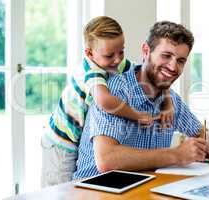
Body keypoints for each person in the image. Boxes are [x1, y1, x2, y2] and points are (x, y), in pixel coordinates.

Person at [73, 21, 209, 180]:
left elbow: (202, 132)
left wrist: (208, 143)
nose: (173, 67)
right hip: (95, 190)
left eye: (181, 61)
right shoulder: (115, 91)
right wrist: (176, 155)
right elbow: (107, 160)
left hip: (141, 189)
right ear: (146, 51)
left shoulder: (171, 101)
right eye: (166, 56)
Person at [41, 16, 173, 187]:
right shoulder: (91, 70)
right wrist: (136, 115)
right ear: (89, 53)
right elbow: (105, 101)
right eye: (110, 55)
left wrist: (167, 102)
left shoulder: (115, 63)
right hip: (61, 142)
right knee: (60, 189)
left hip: (79, 137)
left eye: (121, 52)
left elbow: (147, 75)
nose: (117, 60)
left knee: (76, 186)